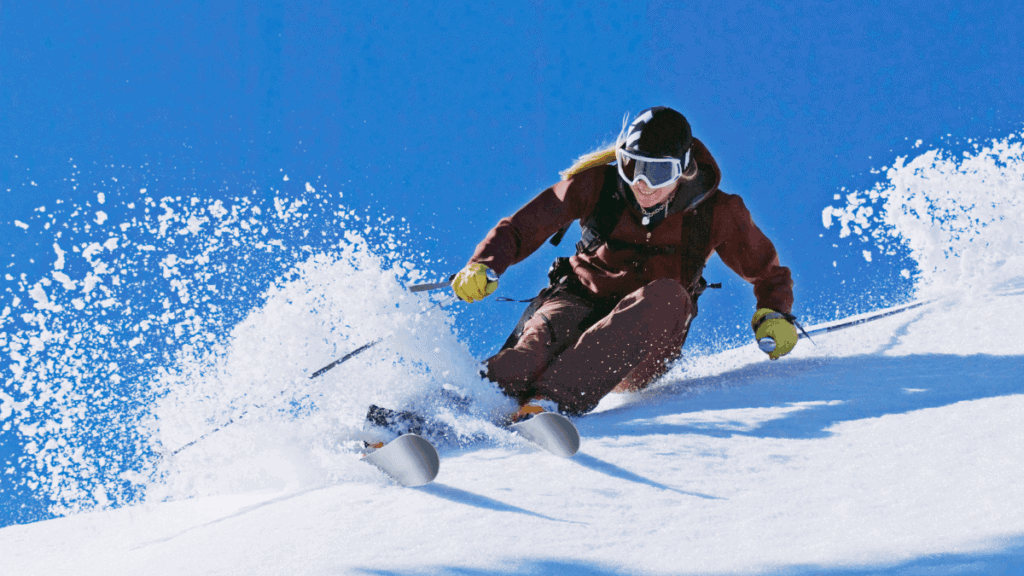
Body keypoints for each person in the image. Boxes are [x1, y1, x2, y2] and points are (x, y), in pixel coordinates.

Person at [452, 106, 797, 419]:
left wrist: (774, 313)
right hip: (578, 299)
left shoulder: (717, 212)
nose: (643, 185)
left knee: (667, 295)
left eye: (658, 173)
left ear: (684, 170)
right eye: (633, 167)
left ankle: (549, 403)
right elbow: (523, 227)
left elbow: (768, 272)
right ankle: (446, 407)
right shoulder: (599, 185)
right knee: (527, 356)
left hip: (645, 335)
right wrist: (484, 264)